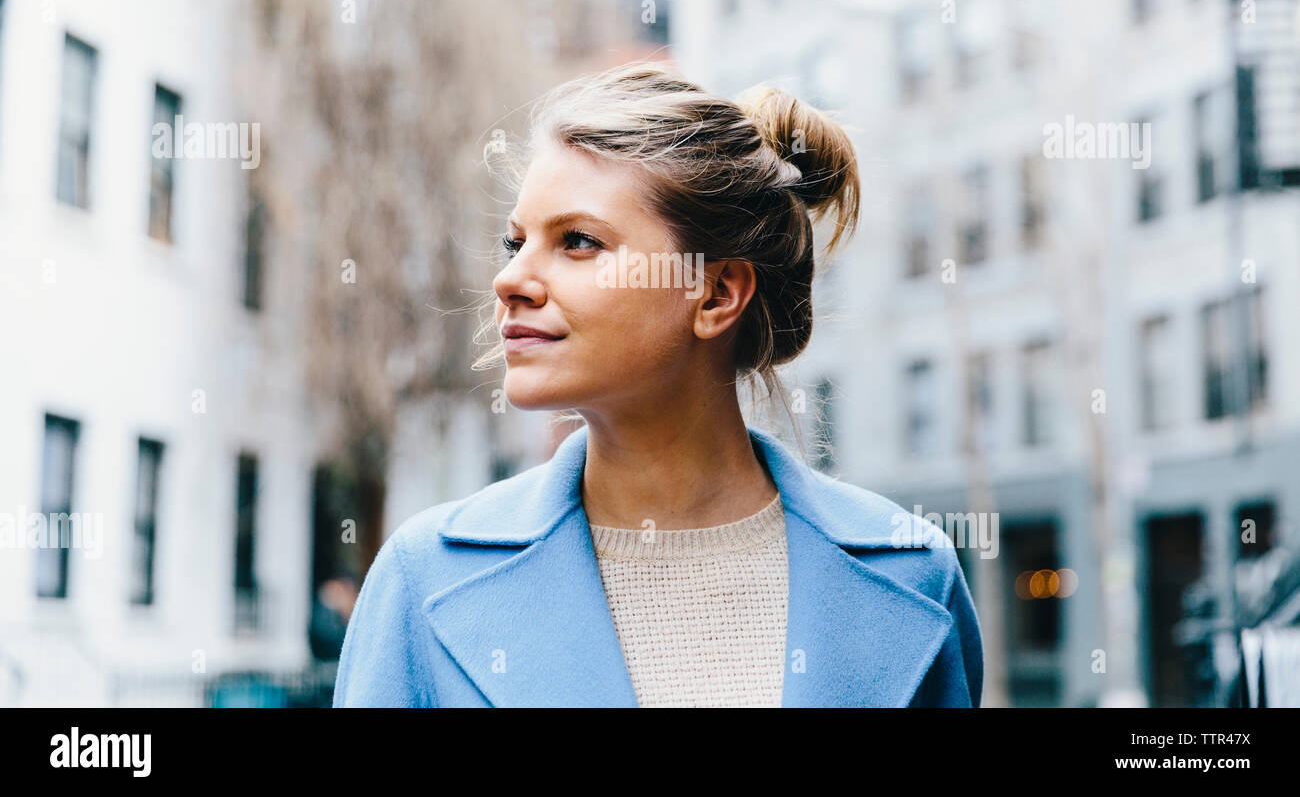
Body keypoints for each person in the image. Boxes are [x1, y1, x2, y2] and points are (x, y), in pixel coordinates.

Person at [333, 61, 983, 707]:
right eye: (515, 244)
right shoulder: (422, 578)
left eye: (579, 242)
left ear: (716, 292)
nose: (511, 280)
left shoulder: (911, 573)